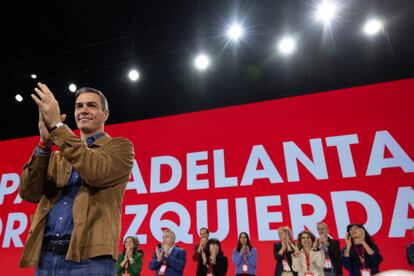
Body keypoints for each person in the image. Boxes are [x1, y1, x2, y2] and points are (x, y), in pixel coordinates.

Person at [18, 83, 135, 275]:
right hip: (46, 258)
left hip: (90, 260)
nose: (83, 111)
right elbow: (28, 192)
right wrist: (44, 144)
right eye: (79, 106)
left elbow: (95, 171)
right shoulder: (57, 156)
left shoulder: (121, 148)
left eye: (91, 105)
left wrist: (58, 126)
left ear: (105, 114)